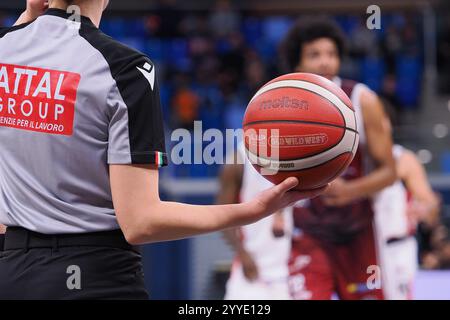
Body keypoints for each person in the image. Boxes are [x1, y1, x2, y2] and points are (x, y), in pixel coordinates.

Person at [0, 0, 325, 299]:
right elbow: (141, 221)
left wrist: (28, 21)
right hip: (96, 274)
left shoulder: (6, 50)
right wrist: (251, 211)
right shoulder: (126, 69)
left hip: (12, 270)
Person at [282, 18, 397, 300]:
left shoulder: (362, 98)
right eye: (315, 54)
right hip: (308, 232)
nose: (325, 62)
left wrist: (350, 191)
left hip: (357, 232)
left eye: (331, 54)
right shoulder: (282, 103)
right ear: (297, 65)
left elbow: (390, 172)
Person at [218, 143, 293, 300]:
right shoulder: (237, 161)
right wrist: (243, 254)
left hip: (287, 271)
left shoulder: (292, 155)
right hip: (252, 271)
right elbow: (222, 218)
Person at [373, 144, 440, 299]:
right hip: (365, 245)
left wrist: (424, 208)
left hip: (397, 247)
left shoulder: (403, 157)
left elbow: (429, 202)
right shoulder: (354, 154)